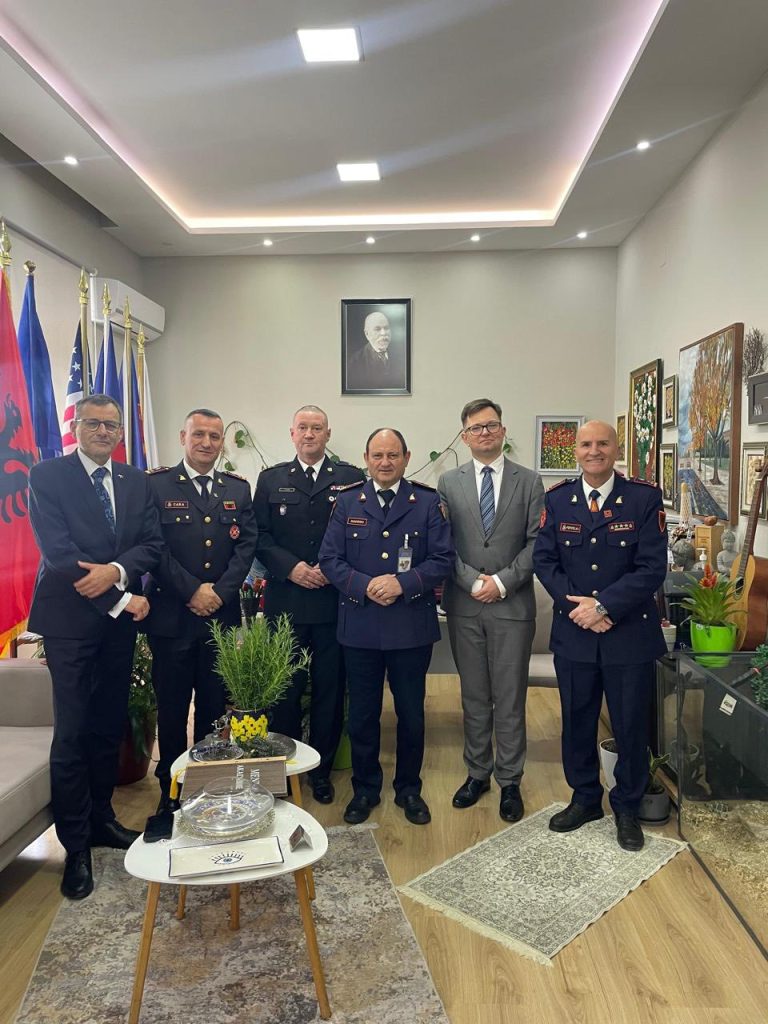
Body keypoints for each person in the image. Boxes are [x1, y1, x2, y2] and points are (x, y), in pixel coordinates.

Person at [27, 394, 163, 900]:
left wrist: (118, 572)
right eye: (94, 423)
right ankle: (76, 845)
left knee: (109, 723)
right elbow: (59, 553)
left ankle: (103, 819)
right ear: (76, 426)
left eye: (112, 425)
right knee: (73, 732)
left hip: (116, 627)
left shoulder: (134, 480)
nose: (104, 432)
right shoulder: (47, 476)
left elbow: (151, 543)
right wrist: (121, 597)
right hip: (70, 623)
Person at [532, 419, 667, 851]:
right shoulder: (558, 499)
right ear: (576, 450)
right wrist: (581, 609)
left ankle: (627, 807)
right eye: (586, 444)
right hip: (575, 634)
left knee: (630, 725)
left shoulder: (643, 498)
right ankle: (585, 798)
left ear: (616, 449)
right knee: (577, 721)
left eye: (603, 443)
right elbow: (545, 561)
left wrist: (603, 606)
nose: (594, 451)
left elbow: (652, 568)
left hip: (628, 635)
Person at [318, 428, 454, 825]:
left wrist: (402, 583)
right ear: (366, 459)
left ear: (406, 458)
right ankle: (365, 788)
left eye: (393, 455)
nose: (385, 462)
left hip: (410, 626)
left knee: (411, 713)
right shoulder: (347, 502)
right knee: (363, 714)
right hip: (360, 626)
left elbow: (443, 559)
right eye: (377, 455)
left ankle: (409, 788)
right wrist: (364, 585)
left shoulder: (427, 502)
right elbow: (330, 559)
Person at [143, 408, 258, 805]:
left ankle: (209, 785)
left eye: (214, 436)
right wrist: (192, 590)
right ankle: (170, 790)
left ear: (222, 442)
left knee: (213, 705)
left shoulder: (237, 489)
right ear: (183, 437)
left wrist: (219, 593)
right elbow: (153, 546)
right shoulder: (156, 485)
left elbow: (246, 546)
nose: (207, 443)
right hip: (172, 616)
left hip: (219, 619)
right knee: (172, 708)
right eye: (199, 435)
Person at [437, 399, 545, 822]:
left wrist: (500, 582)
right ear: (464, 437)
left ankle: (510, 781)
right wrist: (471, 581)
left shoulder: (529, 481)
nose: (484, 433)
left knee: (510, 697)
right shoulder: (449, 482)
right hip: (464, 605)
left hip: (512, 605)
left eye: (491, 425)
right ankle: (477, 773)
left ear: (502, 430)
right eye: (475, 428)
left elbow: (537, 543)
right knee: (474, 696)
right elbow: (443, 544)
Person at [253, 405, 364, 803]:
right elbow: (258, 536)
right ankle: (286, 771)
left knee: (329, 691)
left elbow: (360, 535)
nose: (310, 434)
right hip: (287, 601)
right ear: (292, 433)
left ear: (328, 434)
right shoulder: (271, 479)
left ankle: (320, 772)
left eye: (317, 428)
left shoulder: (350, 478)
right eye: (303, 427)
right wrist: (292, 568)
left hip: (334, 603)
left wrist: (332, 570)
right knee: (285, 690)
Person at [346, 311, 406, 391]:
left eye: (386, 328)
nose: (383, 333)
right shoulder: (355, 362)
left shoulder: (402, 355)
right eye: (377, 329)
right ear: (367, 334)